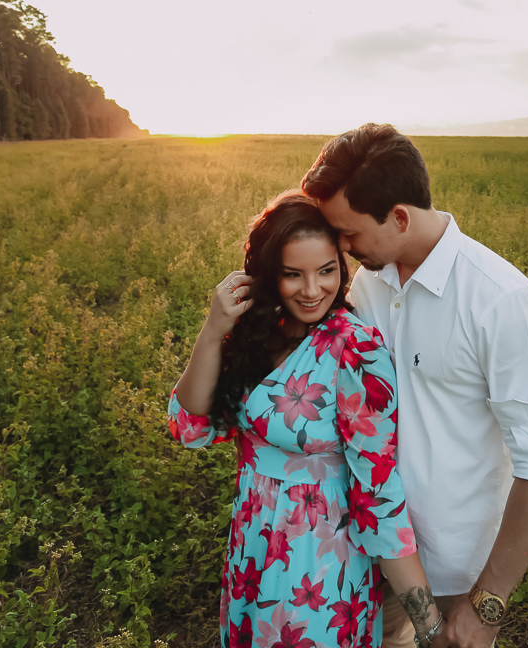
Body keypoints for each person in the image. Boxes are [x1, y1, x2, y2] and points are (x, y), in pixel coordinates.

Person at [301, 125, 528, 648]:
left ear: (399, 217)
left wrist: (486, 607)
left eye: (349, 233)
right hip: (369, 548)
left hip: (455, 573)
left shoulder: (500, 300)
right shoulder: (367, 281)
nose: (341, 247)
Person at [166, 190, 446, 648]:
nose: (313, 290)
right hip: (253, 546)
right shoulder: (254, 335)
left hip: (320, 563)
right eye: (292, 274)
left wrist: (429, 624)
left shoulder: (355, 350)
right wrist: (215, 326)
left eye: (327, 271)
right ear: (267, 274)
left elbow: (377, 492)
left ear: (343, 265)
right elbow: (191, 423)